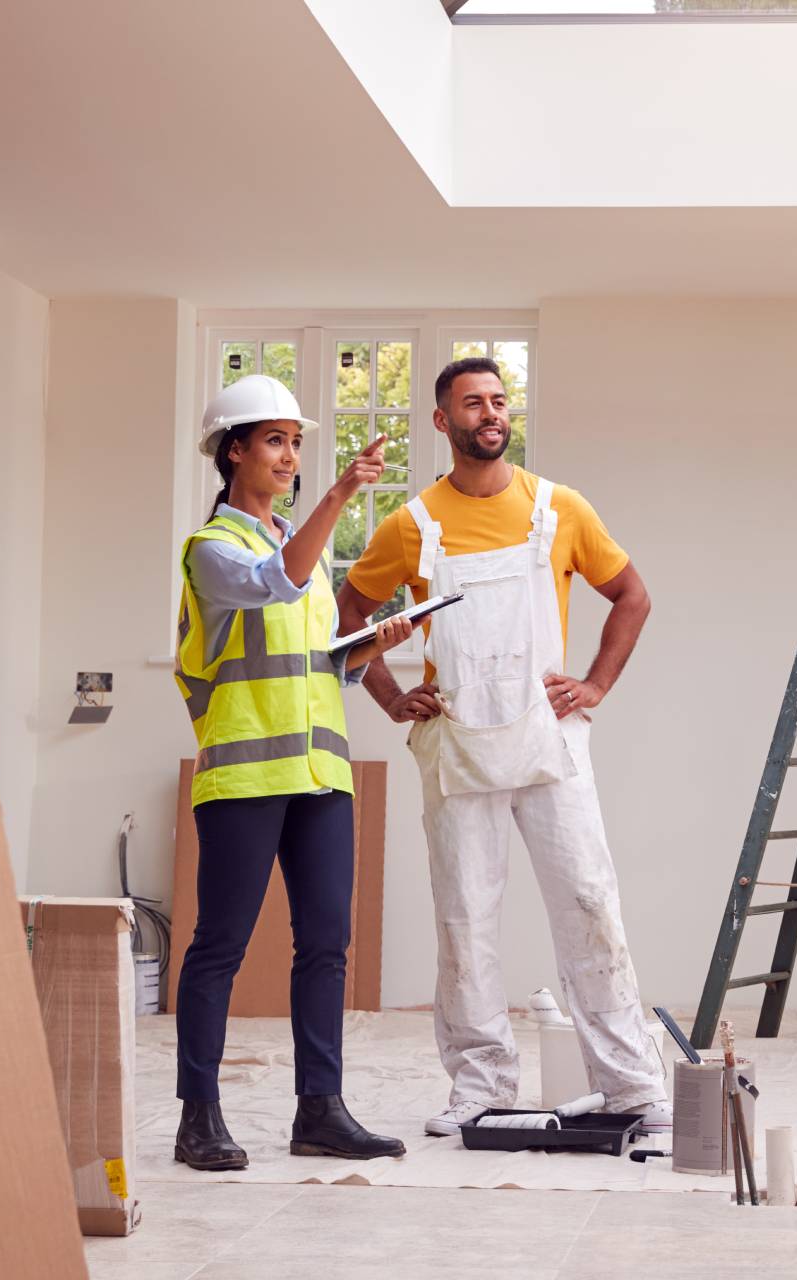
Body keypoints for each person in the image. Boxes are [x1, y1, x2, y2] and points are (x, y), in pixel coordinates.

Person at [337, 356, 670, 1136]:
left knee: (589, 904)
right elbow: (348, 614)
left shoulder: (559, 509)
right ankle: (480, 1089)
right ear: (442, 422)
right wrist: (390, 697)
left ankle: (631, 1087)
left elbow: (632, 595)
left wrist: (593, 686)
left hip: (550, 745)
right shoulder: (411, 526)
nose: (490, 413)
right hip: (457, 750)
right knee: (465, 922)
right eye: (472, 403)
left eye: (498, 401)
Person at [172, 373, 414, 1171]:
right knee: (220, 949)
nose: (290, 454)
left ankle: (321, 1110)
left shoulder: (289, 546)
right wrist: (343, 492)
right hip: (244, 778)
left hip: (319, 775)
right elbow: (278, 586)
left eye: (295, 441)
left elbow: (311, 662)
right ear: (232, 450)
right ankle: (197, 1118)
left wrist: (362, 653)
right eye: (274, 439)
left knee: (326, 946)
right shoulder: (214, 549)